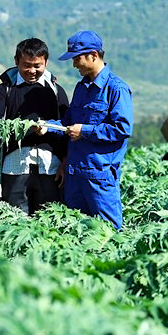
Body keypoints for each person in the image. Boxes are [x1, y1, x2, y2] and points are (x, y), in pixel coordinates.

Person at [40, 30, 133, 230]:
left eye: (77, 58)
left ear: (94, 55)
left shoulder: (116, 89)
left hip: (99, 176)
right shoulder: (81, 88)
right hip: (75, 176)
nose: (74, 64)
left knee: (107, 233)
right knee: (77, 232)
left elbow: (122, 128)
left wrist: (85, 131)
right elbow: (68, 122)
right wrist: (47, 127)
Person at [0, 38, 70, 215]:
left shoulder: (56, 91)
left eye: (37, 66)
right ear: (16, 62)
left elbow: (67, 126)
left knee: (48, 219)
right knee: (15, 218)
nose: (32, 71)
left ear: (46, 62)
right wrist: (23, 128)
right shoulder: (4, 90)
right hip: (15, 165)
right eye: (26, 65)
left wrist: (65, 161)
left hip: (50, 166)